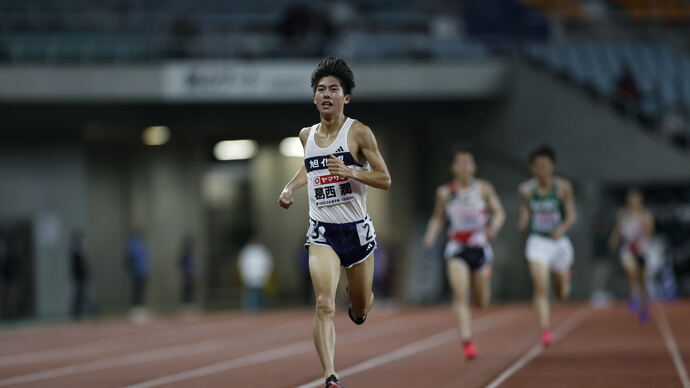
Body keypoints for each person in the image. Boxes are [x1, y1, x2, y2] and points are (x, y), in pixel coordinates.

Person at [277, 58, 391, 388]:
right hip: (322, 231)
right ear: (314, 98)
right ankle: (330, 375)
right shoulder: (306, 135)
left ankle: (361, 304)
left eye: (334, 90)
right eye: (321, 90)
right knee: (324, 304)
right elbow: (310, 168)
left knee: (359, 307)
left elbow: (384, 178)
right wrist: (289, 188)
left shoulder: (358, 132)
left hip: (356, 232)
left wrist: (351, 171)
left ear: (346, 98)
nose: (326, 95)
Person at [423, 145, 505, 360]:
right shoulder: (444, 192)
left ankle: (484, 280)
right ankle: (467, 340)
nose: (464, 167)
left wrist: (493, 227)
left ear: (474, 166)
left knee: (482, 301)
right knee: (460, 295)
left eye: (468, 162)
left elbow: (499, 213)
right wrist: (431, 235)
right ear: (453, 167)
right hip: (457, 247)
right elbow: (438, 217)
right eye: (460, 163)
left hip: (480, 247)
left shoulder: (484, 188)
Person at [518, 145, 577, 347]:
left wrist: (561, 228)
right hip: (538, 241)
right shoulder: (526, 190)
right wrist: (523, 222)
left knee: (562, 294)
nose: (542, 169)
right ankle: (545, 329)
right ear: (532, 169)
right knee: (541, 285)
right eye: (538, 166)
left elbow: (571, 214)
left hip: (558, 242)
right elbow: (526, 211)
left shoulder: (563, 187)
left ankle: (564, 273)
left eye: (546, 165)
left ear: (552, 166)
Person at [609, 188, 654, 323]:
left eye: (635, 201)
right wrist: (614, 240)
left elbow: (649, 232)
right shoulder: (622, 213)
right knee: (631, 271)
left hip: (641, 249)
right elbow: (617, 229)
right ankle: (633, 297)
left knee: (642, 280)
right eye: (630, 201)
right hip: (628, 248)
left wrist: (641, 222)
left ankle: (644, 308)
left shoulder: (645, 214)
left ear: (640, 201)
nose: (632, 203)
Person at [237, 236, 273, 310]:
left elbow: (268, 263)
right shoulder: (248, 251)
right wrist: (244, 273)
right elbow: (243, 263)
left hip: (260, 275)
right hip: (250, 275)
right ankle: (251, 307)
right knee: (251, 292)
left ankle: (259, 307)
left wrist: (266, 274)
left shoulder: (262, 251)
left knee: (259, 292)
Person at [70, 230, 89, 320]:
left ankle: (80, 312)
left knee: (81, 294)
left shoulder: (80, 250)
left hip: (82, 276)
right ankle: (76, 313)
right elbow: (76, 266)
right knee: (78, 294)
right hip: (78, 276)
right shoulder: (75, 250)